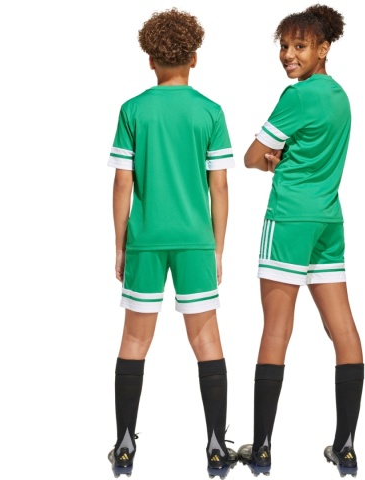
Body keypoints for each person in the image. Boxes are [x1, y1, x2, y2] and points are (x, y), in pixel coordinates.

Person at [106, 8, 238, 479]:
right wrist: (217, 247)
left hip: (145, 239)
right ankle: (217, 446)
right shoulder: (210, 111)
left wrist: (120, 244)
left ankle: (124, 445)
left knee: (134, 339)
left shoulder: (133, 110)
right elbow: (219, 186)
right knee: (206, 338)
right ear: (194, 58)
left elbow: (123, 182)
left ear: (150, 60)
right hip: (195, 241)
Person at [237, 4, 364, 478]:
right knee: (343, 329)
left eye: (300, 46)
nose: (288, 55)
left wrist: (272, 159)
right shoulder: (341, 97)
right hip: (328, 220)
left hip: (289, 219)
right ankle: (346, 447)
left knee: (276, 330)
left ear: (324, 48)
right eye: (284, 46)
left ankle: (262, 449)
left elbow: (252, 156)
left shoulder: (297, 96)